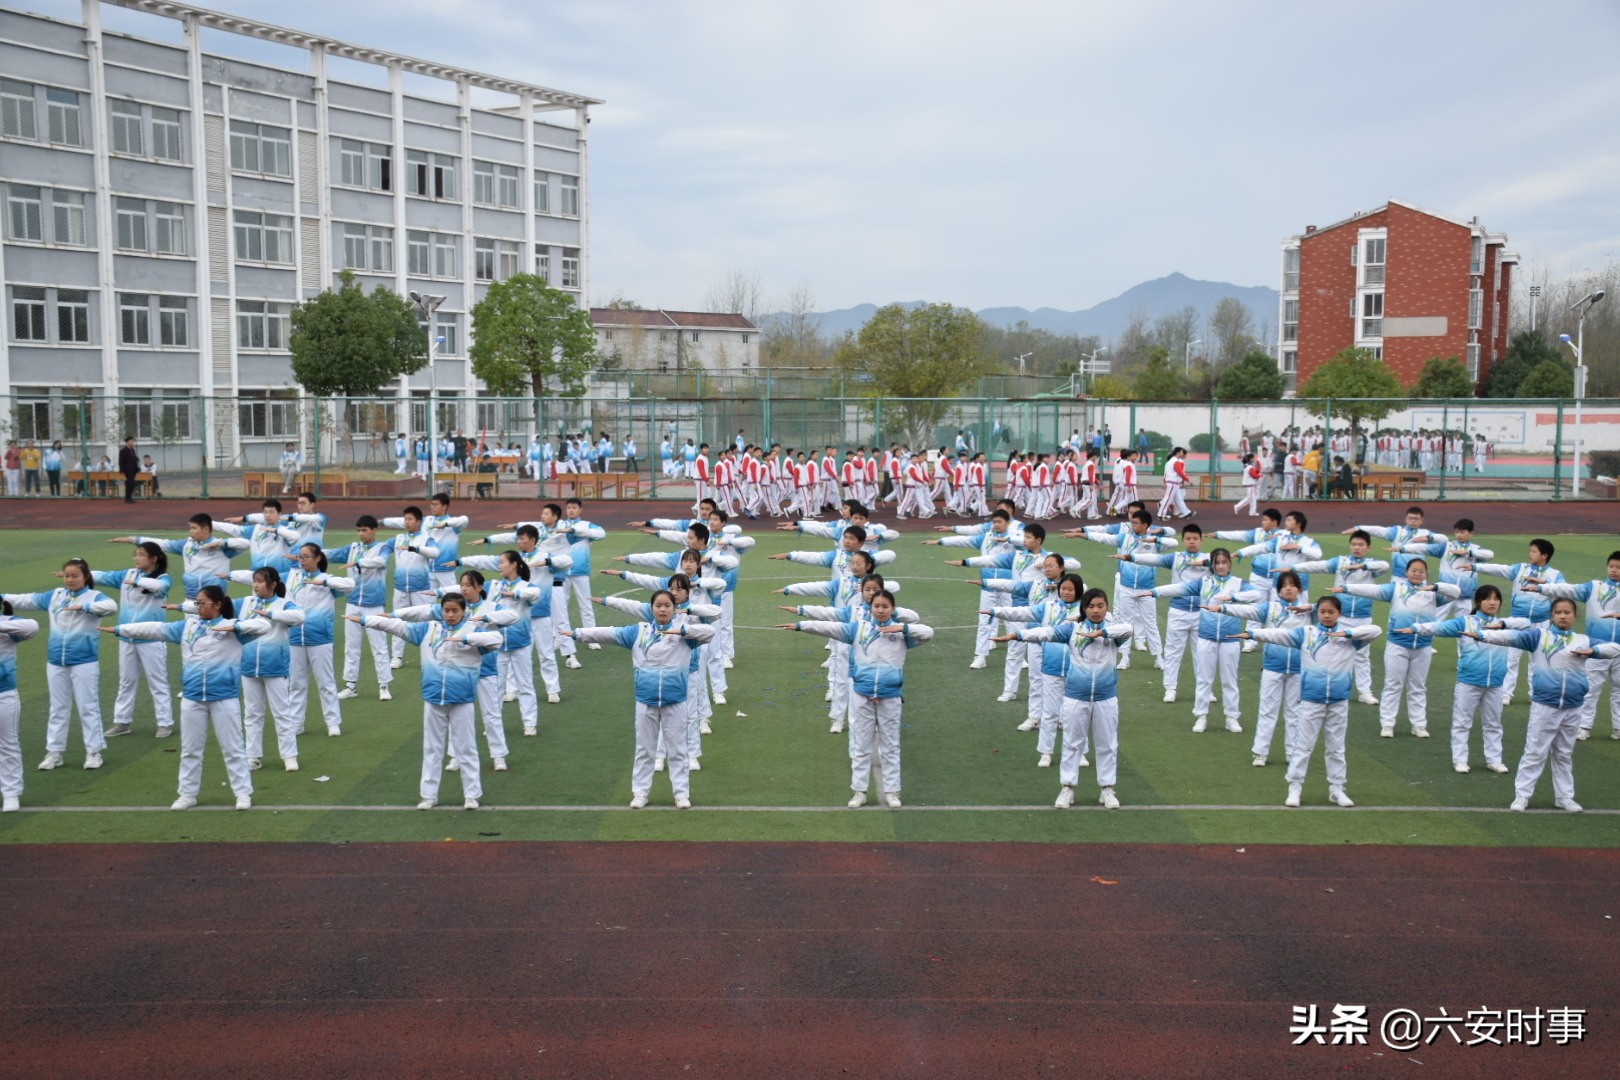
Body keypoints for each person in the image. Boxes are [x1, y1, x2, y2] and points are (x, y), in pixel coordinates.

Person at [107, 585, 263, 810]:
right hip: (192, 697)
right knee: (190, 749)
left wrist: (236, 626)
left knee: (233, 748)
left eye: (202, 603)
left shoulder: (234, 631)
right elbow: (156, 629)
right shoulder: (188, 626)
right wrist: (122, 629)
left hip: (224, 697)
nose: (198, 607)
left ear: (218, 604)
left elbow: (264, 626)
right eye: (196, 603)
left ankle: (242, 794)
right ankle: (187, 794)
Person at [782, 590, 933, 809]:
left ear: (893, 609)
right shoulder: (858, 628)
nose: (880, 611)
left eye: (885, 607)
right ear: (870, 607)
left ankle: (892, 792)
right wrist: (801, 625)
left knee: (890, 747)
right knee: (861, 746)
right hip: (862, 694)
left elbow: (928, 633)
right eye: (876, 606)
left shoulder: (902, 635)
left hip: (890, 697)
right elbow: (829, 628)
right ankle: (859, 792)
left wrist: (902, 627)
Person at [352, 594, 503, 810]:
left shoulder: (474, 631)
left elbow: (497, 640)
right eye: (446, 610)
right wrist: (366, 620)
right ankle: (429, 795)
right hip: (433, 699)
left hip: (462, 700)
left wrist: (466, 639)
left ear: (464, 612)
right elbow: (397, 626)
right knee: (432, 748)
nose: (450, 615)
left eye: (455, 611)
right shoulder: (428, 629)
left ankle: (471, 795)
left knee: (466, 748)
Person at [1468, 599, 1620, 812]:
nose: (1562, 616)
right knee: (1534, 752)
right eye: (1558, 612)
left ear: (1575, 616)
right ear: (1552, 616)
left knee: (1564, 754)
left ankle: (1565, 797)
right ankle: (1522, 796)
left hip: (1573, 706)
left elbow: (1614, 648)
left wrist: (1593, 652)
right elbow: (1512, 637)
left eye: (1567, 612)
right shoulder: (1539, 637)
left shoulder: (1583, 640)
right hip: (1545, 706)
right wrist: (1483, 635)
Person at [568, 591, 715, 809]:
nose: (662, 609)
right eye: (658, 605)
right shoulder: (638, 631)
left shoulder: (685, 635)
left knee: (678, 750)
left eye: (667, 605)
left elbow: (710, 631)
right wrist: (576, 633)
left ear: (674, 608)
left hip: (675, 701)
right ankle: (640, 793)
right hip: (645, 701)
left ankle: (681, 794)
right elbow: (607, 633)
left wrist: (684, 630)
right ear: (652, 609)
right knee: (644, 750)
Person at [1237, 595, 1381, 808]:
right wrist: (1253, 633)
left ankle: (1337, 789)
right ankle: (1294, 788)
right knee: (1302, 747)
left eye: (1331, 612)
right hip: (1311, 701)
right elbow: (1278, 634)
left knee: (1336, 748)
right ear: (1317, 613)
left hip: (1339, 701)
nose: (1327, 615)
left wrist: (1347, 632)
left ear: (1339, 613)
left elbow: (1375, 630)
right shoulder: (1307, 633)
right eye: (1322, 611)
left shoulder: (1351, 638)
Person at [1004, 586, 1130, 810]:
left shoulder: (1113, 630)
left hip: (1106, 697)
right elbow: (1045, 633)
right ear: (1084, 608)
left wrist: (1101, 633)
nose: (1096, 611)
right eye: (1091, 606)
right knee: (1072, 743)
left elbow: (1129, 629)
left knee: (1107, 744)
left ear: (1107, 607)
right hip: (1075, 696)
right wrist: (1018, 635)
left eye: (1101, 606)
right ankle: (1067, 788)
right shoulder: (1072, 629)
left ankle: (1107, 790)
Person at [5, 559, 118, 771]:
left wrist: (84, 607)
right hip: (55, 661)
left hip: (84, 661)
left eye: (75, 576)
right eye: (67, 576)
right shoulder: (55, 595)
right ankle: (54, 753)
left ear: (85, 577)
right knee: (57, 708)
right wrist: (3, 596)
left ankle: (93, 752)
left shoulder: (94, 597)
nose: (70, 580)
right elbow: (27, 600)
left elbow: (111, 607)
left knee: (88, 707)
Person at [1399, 585, 1523, 774]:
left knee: (1493, 723)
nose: (1492, 602)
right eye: (1487, 599)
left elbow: (1527, 624)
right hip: (1469, 681)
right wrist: (1417, 628)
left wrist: (1504, 625)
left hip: (1495, 684)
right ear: (1478, 602)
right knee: (1462, 722)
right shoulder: (1466, 622)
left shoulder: (1505, 625)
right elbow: (1440, 627)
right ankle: (1460, 760)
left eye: (1496, 599)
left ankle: (1494, 760)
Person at [1337, 557, 1460, 739]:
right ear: (1406, 572)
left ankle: (1418, 725)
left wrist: (1435, 587)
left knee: (1418, 687)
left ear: (1426, 574)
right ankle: (1387, 724)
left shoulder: (1434, 593)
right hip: (1397, 645)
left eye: (1421, 571)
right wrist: (1346, 588)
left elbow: (1456, 592)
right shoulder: (1396, 589)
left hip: (1423, 646)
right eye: (1413, 570)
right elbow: (1372, 590)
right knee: (1393, 685)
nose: (1417, 574)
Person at [1222, 571, 1313, 767]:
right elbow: (1246, 612)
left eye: (1293, 585)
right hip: (1272, 666)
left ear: (1300, 589)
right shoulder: (1270, 608)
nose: (1288, 588)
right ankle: (1261, 753)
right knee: (1267, 711)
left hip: (1298, 669)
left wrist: (1311, 606)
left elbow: (1337, 607)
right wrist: (1222, 608)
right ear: (1278, 590)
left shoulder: (1309, 612)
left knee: (1294, 713)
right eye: (1284, 585)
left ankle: (1292, 753)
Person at [1531, 552, 1620, 741]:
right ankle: (1584, 726)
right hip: (1596, 648)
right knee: (1592, 689)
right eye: (1611, 566)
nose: (1614, 570)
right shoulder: (1595, 587)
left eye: (1618, 567)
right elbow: (1568, 589)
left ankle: (1618, 727)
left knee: (1618, 690)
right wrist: (1543, 588)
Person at [92, 542, 175, 738]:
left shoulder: (163, 578)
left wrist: (138, 581)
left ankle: (164, 723)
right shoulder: (128, 574)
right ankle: (122, 722)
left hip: (151, 638)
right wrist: (82, 572)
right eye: (136, 554)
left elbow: (159, 586)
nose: (136, 558)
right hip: (127, 637)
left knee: (158, 682)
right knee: (126, 681)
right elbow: (103, 576)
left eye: (141, 555)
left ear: (153, 559)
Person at [226, 567, 305, 771]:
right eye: (254, 581)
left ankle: (289, 756)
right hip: (249, 667)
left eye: (261, 581)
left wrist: (270, 613)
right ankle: (253, 756)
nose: (256, 585)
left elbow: (299, 616)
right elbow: (217, 607)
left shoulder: (283, 604)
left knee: (282, 713)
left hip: (276, 667)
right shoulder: (246, 603)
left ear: (273, 585)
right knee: (252, 713)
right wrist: (191, 607)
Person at [326, 516, 395, 702]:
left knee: (379, 646)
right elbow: (330, 554)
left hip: (375, 606)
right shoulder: (352, 548)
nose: (361, 534)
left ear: (374, 530)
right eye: (358, 530)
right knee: (351, 647)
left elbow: (380, 562)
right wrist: (309, 554)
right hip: (353, 604)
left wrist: (358, 562)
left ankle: (383, 685)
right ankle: (350, 686)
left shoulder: (383, 548)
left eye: (364, 530)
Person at [116, 514, 249, 599]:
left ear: (206, 530)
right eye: (190, 528)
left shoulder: (222, 547)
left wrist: (221, 543)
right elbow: (163, 544)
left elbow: (246, 544)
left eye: (194, 528)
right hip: (191, 598)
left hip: (215, 599)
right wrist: (134, 539)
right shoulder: (186, 545)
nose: (190, 531)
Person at [0, 602, 41, 812]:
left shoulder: (9, 625)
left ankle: (10, 793)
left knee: (8, 744)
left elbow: (32, 627)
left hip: (4, 693)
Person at [118, 436, 140, 503]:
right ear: (128, 442)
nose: (133, 443)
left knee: (130, 484)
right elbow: (121, 461)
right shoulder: (123, 451)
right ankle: (128, 498)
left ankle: (129, 497)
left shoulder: (132, 450)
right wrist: (121, 470)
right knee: (131, 483)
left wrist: (137, 466)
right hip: (127, 470)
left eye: (133, 441)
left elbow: (134, 459)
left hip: (133, 470)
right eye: (132, 441)